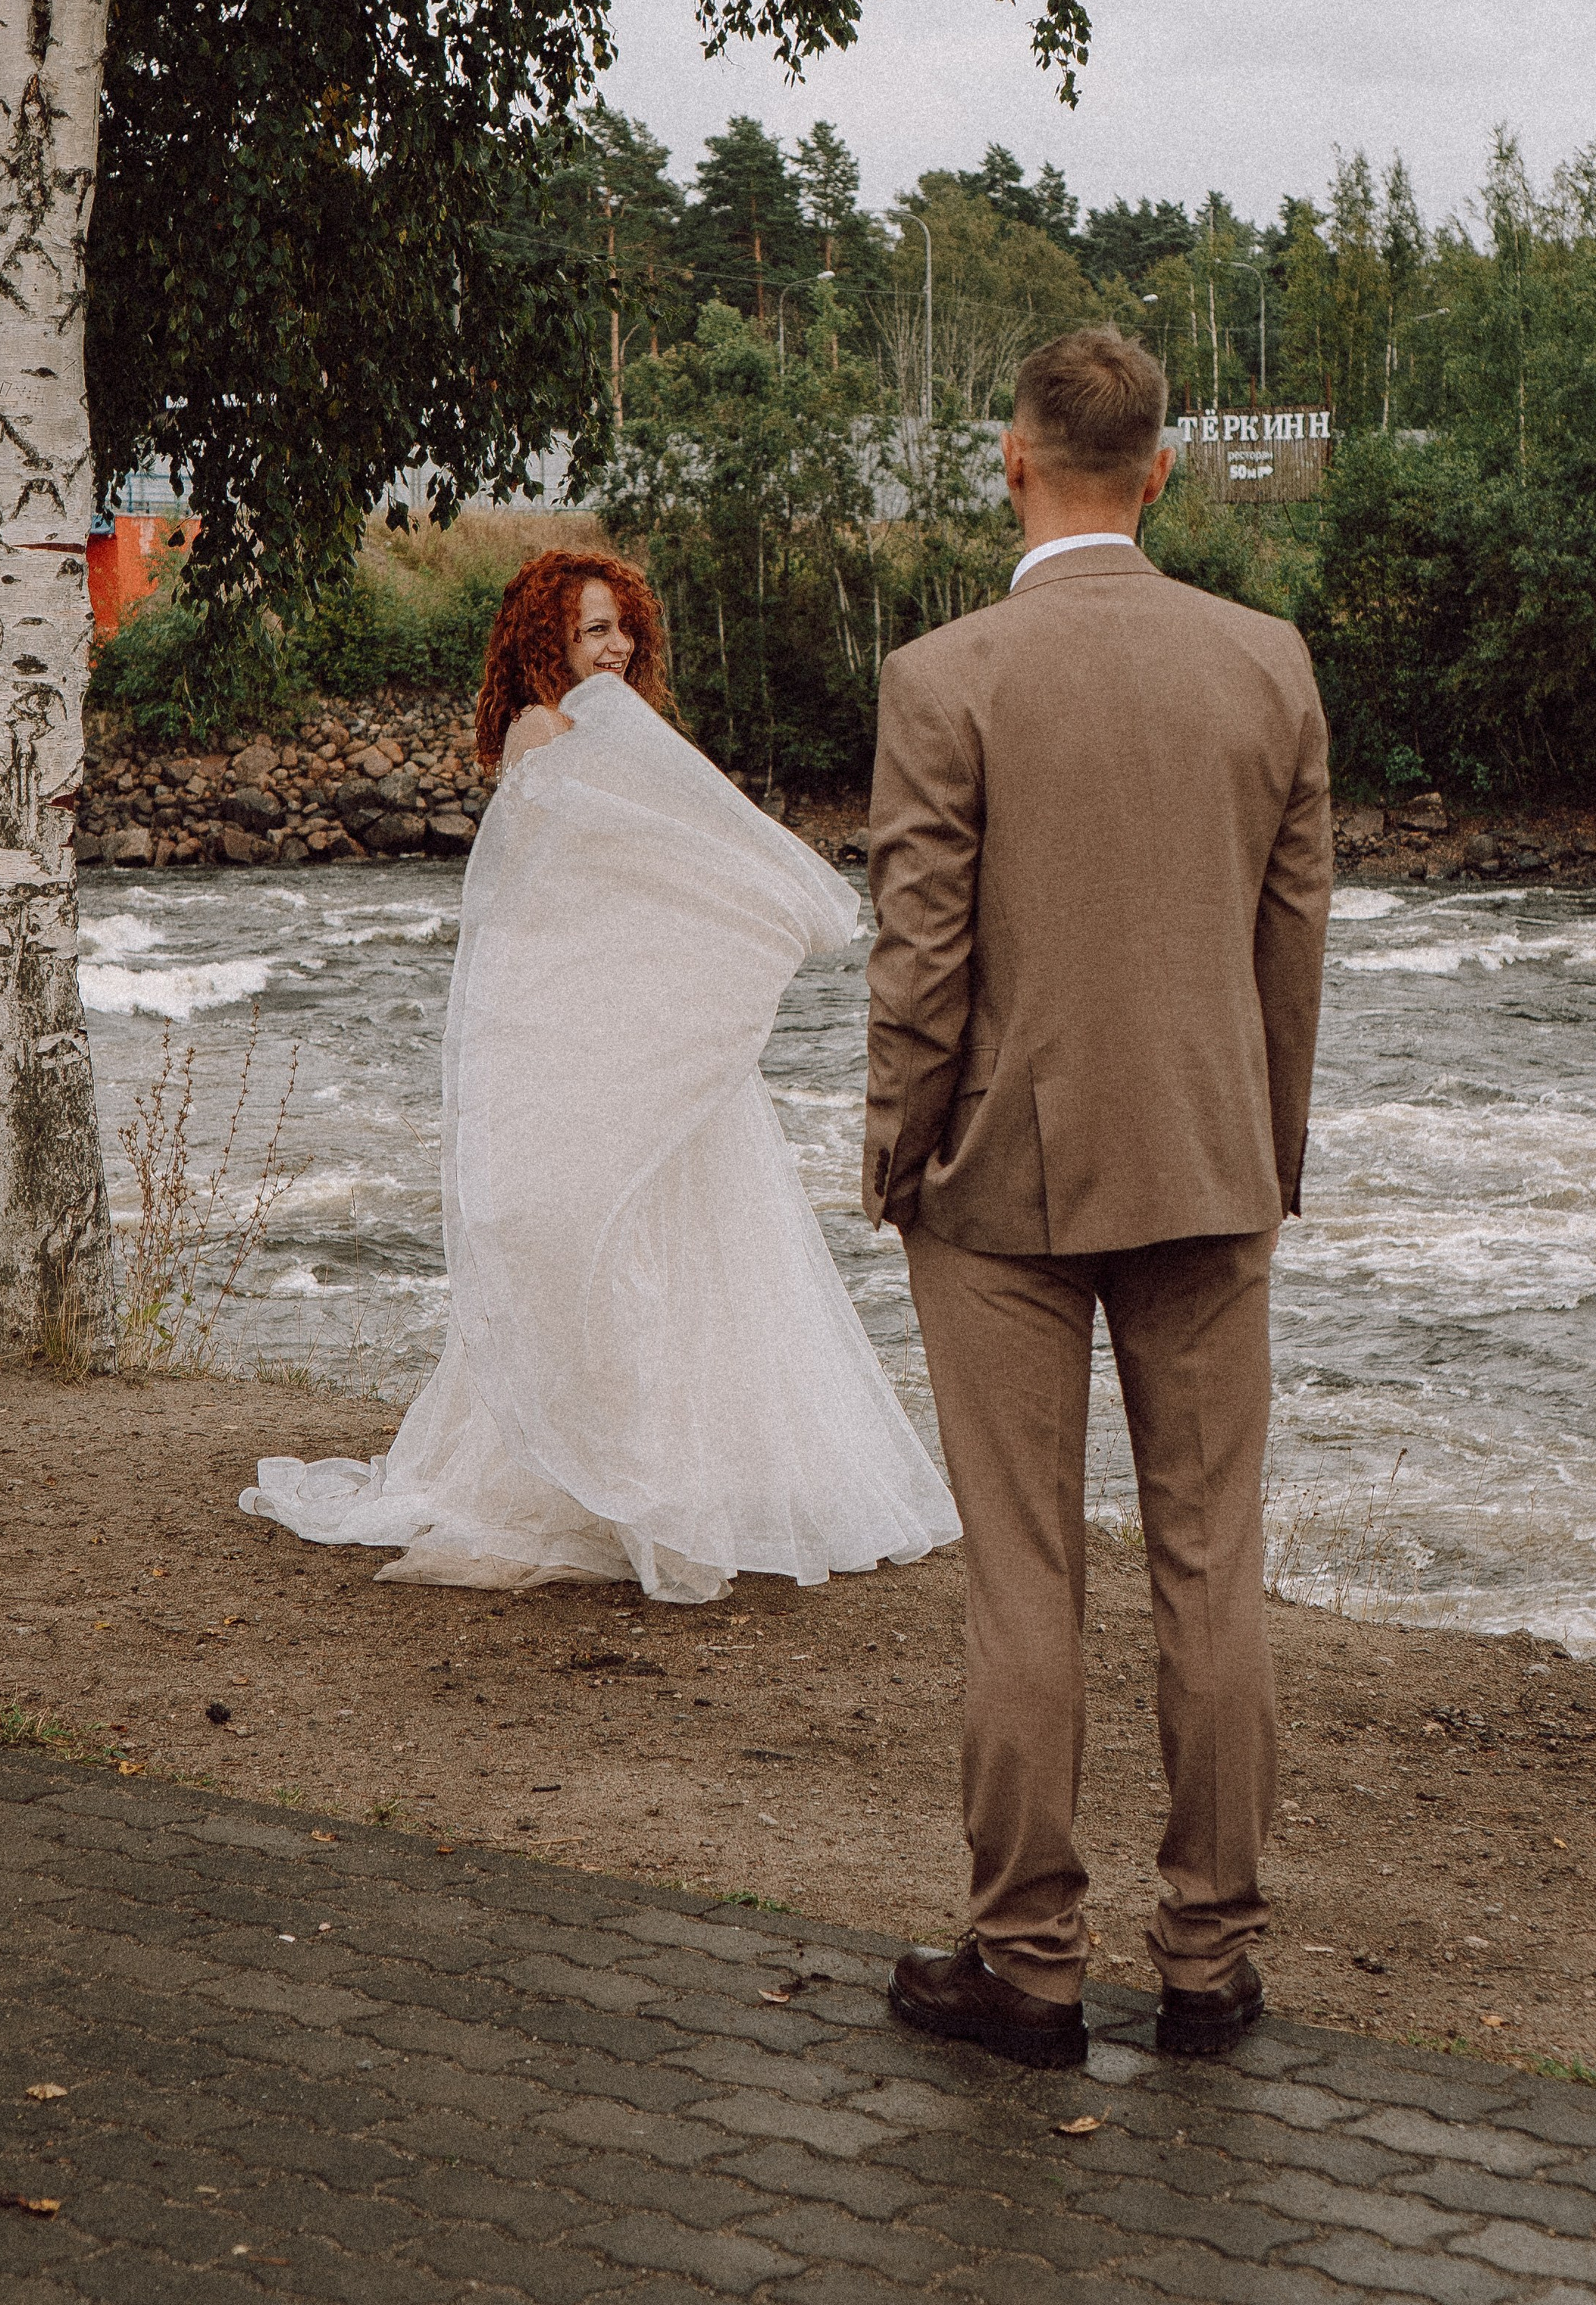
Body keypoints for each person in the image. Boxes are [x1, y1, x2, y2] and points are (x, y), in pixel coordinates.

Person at [867, 330, 1332, 2069]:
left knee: (1024, 1574)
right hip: (1214, 1164)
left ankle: (1027, 1962)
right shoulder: (1265, 665)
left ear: (1011, 458)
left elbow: (921, 958)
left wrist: (895, 1150)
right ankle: (1208, 1967)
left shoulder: (947, 676)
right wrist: (1265, 1150)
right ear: (1158, 471)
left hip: (1000, 1179)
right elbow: (1291, 949)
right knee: (1213, 1570)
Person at [243, 546, 958, 1604]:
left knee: (676, 1252)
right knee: (611, 1248)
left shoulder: (612, 731)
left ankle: (668, 1475)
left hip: (639, 1039)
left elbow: (668, 865)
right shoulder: (556, 732)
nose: (616, 646)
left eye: (623, 627)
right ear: (548, 643)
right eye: (592, 631)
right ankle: (618, 1477)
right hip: (597, 1041)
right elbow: (565, 900)